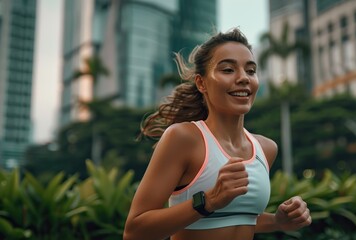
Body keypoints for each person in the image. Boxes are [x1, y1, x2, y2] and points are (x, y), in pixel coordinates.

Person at [123, 28, 311, 240]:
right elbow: (134, 232)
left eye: (250, 71)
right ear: (201, 83)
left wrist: (278, 221)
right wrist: (209, 201)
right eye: (228, 70)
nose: (243, 78)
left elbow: (237, 218)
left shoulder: (266, 149)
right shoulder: (184, 138)